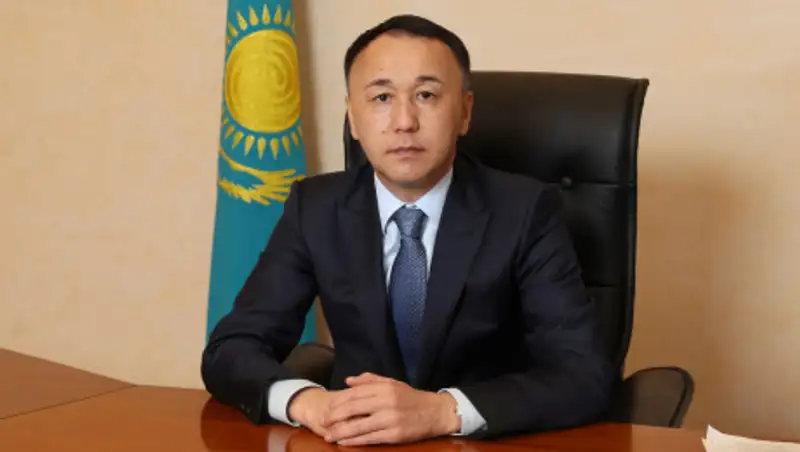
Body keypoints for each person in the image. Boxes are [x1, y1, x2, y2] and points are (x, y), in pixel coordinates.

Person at [201, 13, 613, 446]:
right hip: (355, 441)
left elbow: (583, 374)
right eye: (381, 97)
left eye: (426, 95)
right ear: (353, 117)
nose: (404, 121)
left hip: (480, 443)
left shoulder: (526, 211)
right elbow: (231, 348)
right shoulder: (316, 208)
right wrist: (306, 402)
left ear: (465, 112)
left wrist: (443, 411)